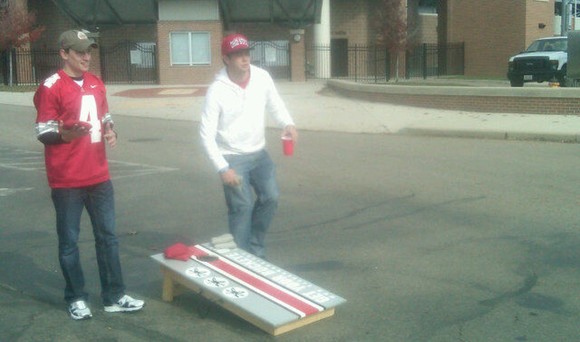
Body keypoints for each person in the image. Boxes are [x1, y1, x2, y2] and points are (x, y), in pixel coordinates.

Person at [34, 30, 144, 320]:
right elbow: (43, 130)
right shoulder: (51, 86)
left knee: (108, 238)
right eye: (80, 51)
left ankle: (114, 296)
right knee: (69, 242)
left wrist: (110, 129)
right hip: (67, 179)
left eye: (89, 51)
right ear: (64, 53)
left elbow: (105, 115)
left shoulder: (96, 83)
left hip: (99, 176)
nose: (86, 57)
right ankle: (76, 297)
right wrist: (67, 134)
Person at [200, 33, 298, 258]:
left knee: (271, 197)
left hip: (259, 153)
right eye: (238, 55)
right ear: (226, 58)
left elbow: (275, 104)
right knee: (242, 208)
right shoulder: (217, 90)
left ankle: (254, 250)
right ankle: (242, 261)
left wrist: (287, 123)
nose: (245, 59)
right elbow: (206, 134)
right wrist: (223, 168)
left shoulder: (262, 78)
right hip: (232, 157)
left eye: (246, 53)